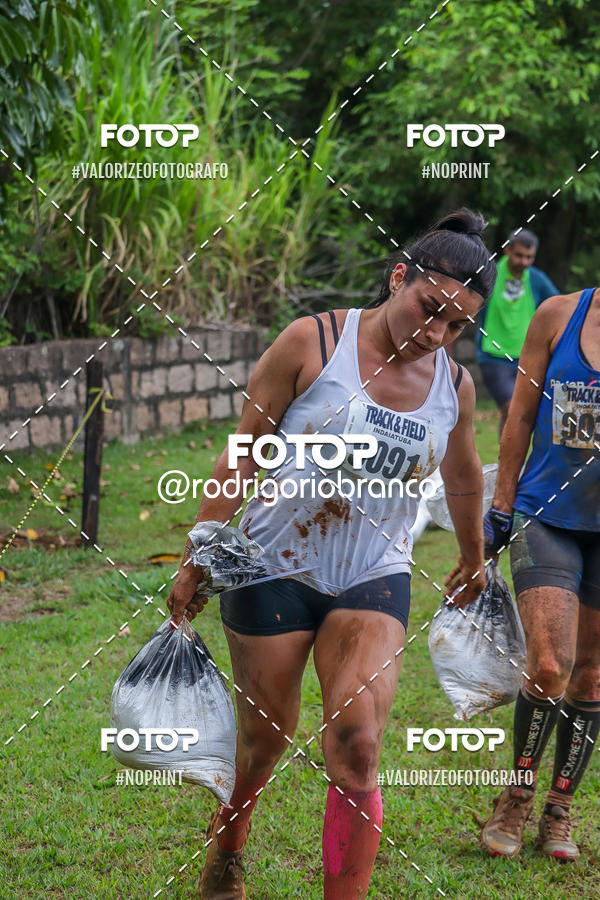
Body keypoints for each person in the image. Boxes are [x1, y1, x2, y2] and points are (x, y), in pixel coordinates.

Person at [167, 209, 495, 899]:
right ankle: (230, 840)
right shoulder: (312, 341)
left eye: (456, 324)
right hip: (272, 565)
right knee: (265, 743)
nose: (436, 333)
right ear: (398, 276)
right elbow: (245, 450)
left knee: (359, 746)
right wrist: (200, 550)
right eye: (429, 308)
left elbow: (464, 474)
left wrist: (475, 556)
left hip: (373, 573)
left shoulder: (453, 387)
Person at [481, 286, 600, 861]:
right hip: (546, 514)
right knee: (550, 665)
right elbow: (522, 414)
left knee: (591, 679)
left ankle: (559, 808)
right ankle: (518, 794)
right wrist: (501, 505)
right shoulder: (558, 316)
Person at [476, 228, 558, 433]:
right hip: (493, 355)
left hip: (527, 357)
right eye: (519, 255)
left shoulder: (536, 279)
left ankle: (508, 453)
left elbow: (559, 307)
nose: (524, 262)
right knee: (512, 409)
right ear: (507, 250)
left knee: (522, 413)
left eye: (529, 257)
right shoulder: (489, 275)